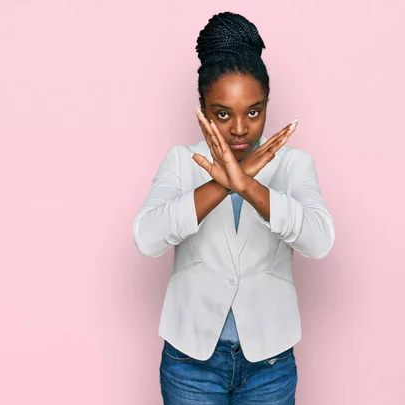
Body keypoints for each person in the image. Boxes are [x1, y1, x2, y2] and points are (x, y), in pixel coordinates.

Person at [133, 11, 335, 405]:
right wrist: (224, 184)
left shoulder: (294, 164)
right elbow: (146, 237)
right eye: (222, 114)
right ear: (203, 108)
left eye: (253, 112)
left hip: (269, 366)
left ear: (266, 105)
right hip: (190, 364)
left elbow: (320, 240)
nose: (240, 129)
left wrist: (248, 186)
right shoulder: (179, 161)